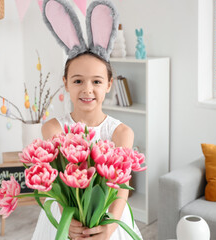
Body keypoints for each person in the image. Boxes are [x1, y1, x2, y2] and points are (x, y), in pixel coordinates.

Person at [31, 0, 143, 239]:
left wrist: (110, 227)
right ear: (66, 84)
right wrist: (66, 218)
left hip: (109, 217)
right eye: (78, 81)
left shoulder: (121, 133)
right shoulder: (53, 129)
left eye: (97, 81)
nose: (87, 89)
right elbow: (55, 185)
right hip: (64, 218)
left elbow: (120, 188)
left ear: (109, 85)